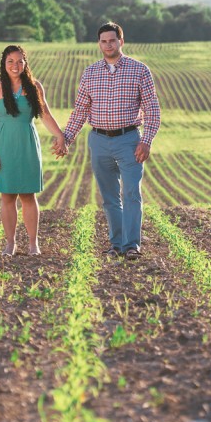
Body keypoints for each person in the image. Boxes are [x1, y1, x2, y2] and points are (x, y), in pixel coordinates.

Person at [63, 22, 161, 260]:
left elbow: (153, 110)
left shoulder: (139, 70)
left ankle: (131, 246)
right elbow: (80, 110)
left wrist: (146, 140)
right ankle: (116, 244)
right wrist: (67, 138)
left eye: (112, 40)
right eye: (104, 41)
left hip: (129, 140)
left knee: (131, 194)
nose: (108, 45)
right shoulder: (90, 72)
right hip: (98, 141)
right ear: (99, 44)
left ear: (121, 42)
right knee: (109, 198)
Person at [0, 45, 67, 256]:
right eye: (11, 61)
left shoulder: (34, 87)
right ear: (4, 63)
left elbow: (45, 115)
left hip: (28, 144)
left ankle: (33, 244)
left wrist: (60, 136)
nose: (15, 65)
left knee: (28, 195)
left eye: (20, 61)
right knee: (7, 196)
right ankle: (10, 243)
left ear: (25, 63)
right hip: (4, 146)